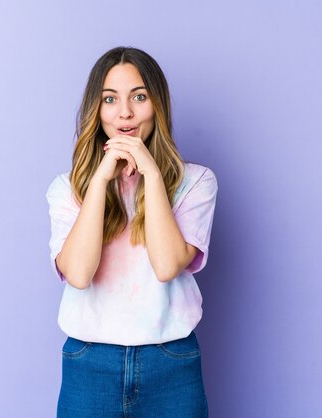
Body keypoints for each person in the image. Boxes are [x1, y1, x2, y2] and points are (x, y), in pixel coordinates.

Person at [45, 46, 217, 418]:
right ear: (97, 109)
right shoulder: (66, 188)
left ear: (157, 104)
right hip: (90, 363)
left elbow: (168, 265)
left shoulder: (196, 182)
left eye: (139, 96)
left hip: (171, 361)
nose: (125, 112)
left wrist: (152, 174)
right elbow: (78, 273)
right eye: (110, 99)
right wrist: (101, 179)